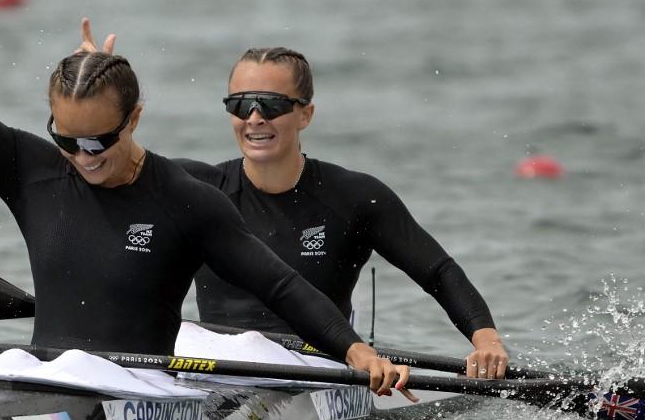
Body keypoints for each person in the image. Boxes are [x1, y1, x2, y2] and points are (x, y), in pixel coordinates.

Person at [0, 0, 414, 398]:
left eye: (99, 140)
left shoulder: (184, 200)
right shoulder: (31, 169)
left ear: (134, 119)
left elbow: (279, 285)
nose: (83, 157)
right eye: (67, 139)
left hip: (139, 395)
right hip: (45, 380)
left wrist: (357, 352)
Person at [77, 25, 509, 380]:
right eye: (241, 104)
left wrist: (485, 341)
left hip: (316, 367)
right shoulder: (195, 188)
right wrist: (98, 100)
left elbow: (438, 271)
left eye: (272, 104)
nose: (255, 118)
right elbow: (112, 167)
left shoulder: (354, 197)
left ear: (306, 114)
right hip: (212, 359)